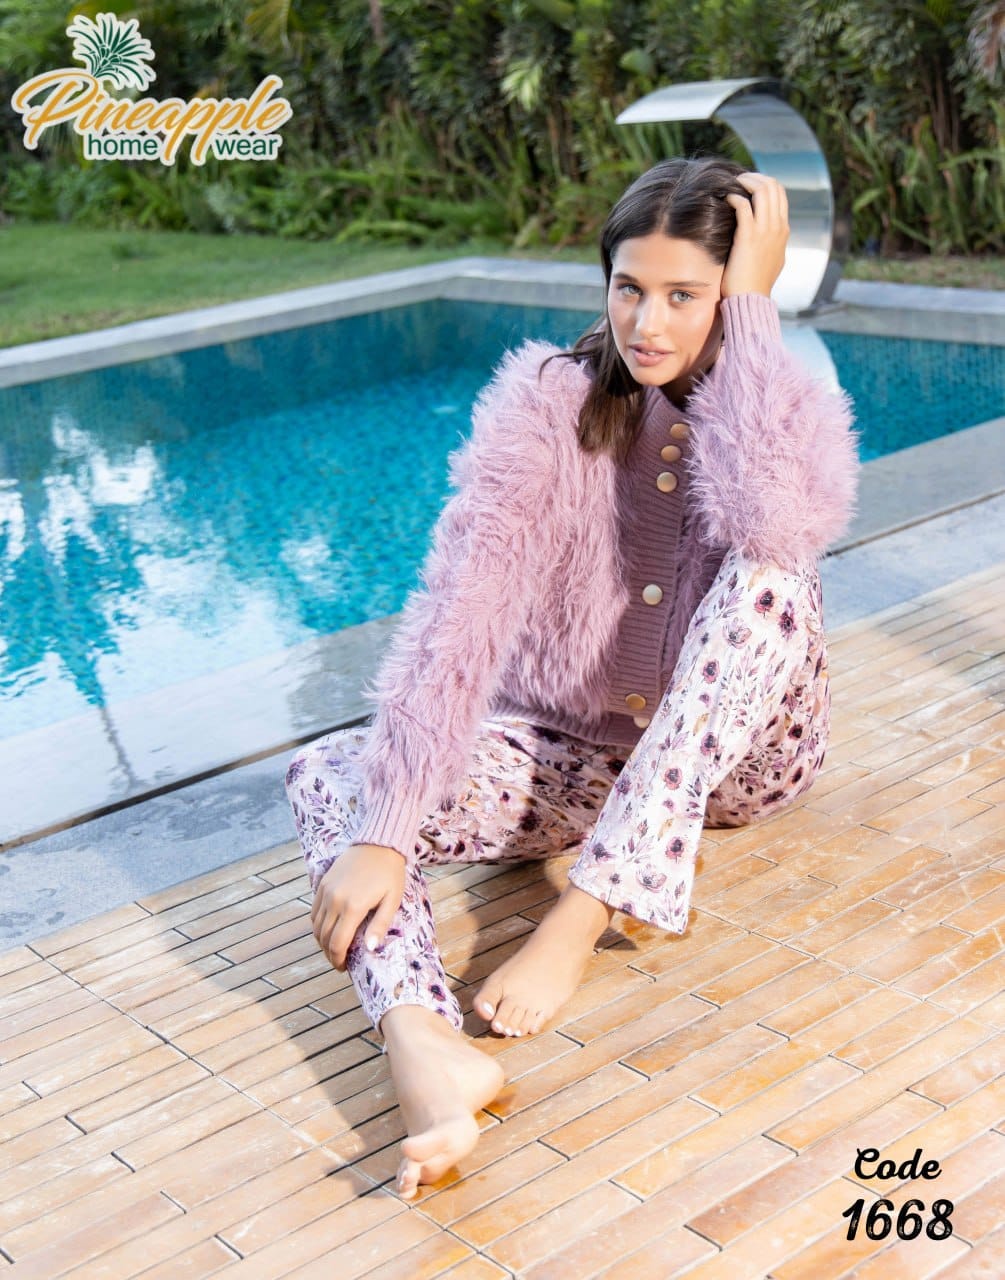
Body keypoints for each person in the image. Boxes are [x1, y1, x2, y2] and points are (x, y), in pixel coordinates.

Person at [286, 156, 859, 1200]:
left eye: (686, 294)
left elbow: (780, 525)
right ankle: (424, 1047)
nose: (648, 320)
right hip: (583, 755)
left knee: (772, 577)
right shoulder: (548, 401)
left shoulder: (775, 393)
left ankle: (587, 909)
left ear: (733, 294)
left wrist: (759, 324)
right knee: (336, 776)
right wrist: (387, 825)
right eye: (629, 286)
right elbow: (463, 604)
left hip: (743, 764)